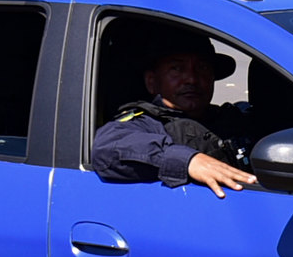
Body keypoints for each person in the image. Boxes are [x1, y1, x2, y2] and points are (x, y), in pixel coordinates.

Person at [91, 23, 257, 197]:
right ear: (151, 82)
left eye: (202, 68)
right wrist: (188, 161)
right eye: (177, 69)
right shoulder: (146, 124)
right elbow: (106, 149)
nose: (192, 79)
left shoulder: (233, 119)